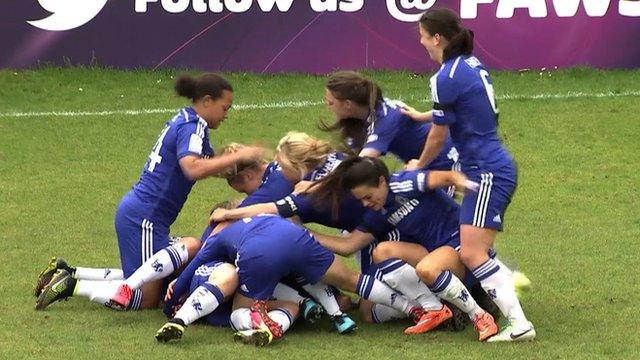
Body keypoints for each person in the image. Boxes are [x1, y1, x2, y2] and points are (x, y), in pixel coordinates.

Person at [35, 73, 264, 311]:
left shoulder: (188, 121)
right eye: (225, 108)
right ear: (207, 101)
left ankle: (71, 271)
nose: (226, 115)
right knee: (144, 299)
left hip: (143, 213)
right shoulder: (192, 126)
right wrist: (240, 156)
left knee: (154, 269)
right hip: (145, 218)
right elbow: (192, 168)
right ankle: (72, 285)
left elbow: (207, 164)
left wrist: (238, 167)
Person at [400, 8, 535, 342]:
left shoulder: (443, 77)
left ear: (437, 38)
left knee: (472, 253)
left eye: (422, 35)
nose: (420, 43)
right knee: (474, 250)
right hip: (490, 165)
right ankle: (509, 296)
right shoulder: (469, 64)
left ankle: (519, 325)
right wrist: (423, 114)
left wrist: (419, 163)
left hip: (485, 171)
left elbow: (438, 136)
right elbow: (465, 104)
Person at [308, 156, 498, 341]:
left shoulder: (405, 182)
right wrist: (306, 235)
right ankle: (435, 309)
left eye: (368, 196)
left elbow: (448, 177)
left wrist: (468, 187)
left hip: (461, 247)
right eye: (361, 200)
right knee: (378, 267)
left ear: (381, 182)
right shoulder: (378, 211)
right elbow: (349, 245)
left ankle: (478, 314)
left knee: (427, 268)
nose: (366, 204)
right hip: (435, 256)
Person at [167, 214, 425, 343]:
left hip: (261, 252)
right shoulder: (261, 217)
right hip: (298, 237)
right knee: (352, 279)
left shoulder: (219, 237)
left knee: (240, 309)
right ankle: (411, 307)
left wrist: (174, 299)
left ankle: (257, 321)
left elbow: (196, 263)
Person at [322, 71, 460, 195]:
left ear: (347, 104)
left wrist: (315, 185)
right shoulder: (358, 121)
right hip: (419, 163)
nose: (327, 106)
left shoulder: (386, 120)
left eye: (330, 102)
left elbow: (360, 162)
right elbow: (350, 158)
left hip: (443, 159)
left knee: (437, 213)